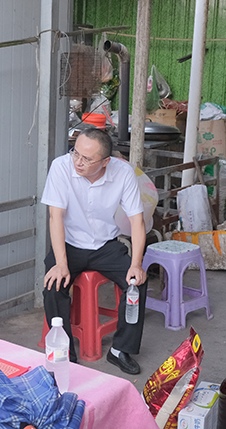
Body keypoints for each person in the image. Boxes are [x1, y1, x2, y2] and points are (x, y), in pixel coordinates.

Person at [41, 127, 147, 375]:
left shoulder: (123, 173)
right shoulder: (61, 167)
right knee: (53, 285)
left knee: (136, 284)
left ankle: (120, 349)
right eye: (75, 153)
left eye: (87, 159)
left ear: (105, 162)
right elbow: (55, 217)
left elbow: (137, 221)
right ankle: (64, 354)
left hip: (106, 245)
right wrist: (61, 263)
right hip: (69, 244)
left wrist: (137, 264)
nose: (78, 162)